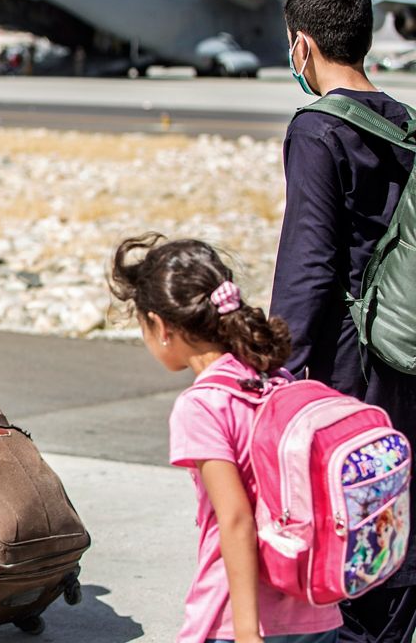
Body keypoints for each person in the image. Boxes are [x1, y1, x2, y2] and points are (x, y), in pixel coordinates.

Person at [269, 0, 416, 643]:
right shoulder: (406, 124)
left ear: (303, 47)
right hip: (407, 345)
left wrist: (282, 376)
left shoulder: (318, 130)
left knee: (356, 520)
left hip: (351, 361)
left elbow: (309, 264)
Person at [109, 234, 342, 643]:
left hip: (238, 617)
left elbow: (235, 520)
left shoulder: (203, 405)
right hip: (315, 611)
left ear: (161, 327)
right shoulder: (275, 379)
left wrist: (247, 632)